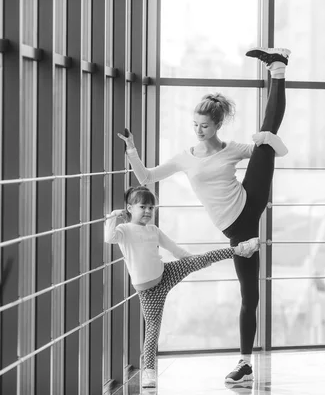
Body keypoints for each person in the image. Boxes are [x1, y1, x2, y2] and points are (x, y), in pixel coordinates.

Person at [117, 47, 291, 383]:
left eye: (205, 125)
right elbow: (147, 178)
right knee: (250, 294)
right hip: (237, 226)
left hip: (248, 204)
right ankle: (279, 67)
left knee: (267, 135)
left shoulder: (234, 150)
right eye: (195, 125)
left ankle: (278, 69)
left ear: (217, 124)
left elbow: (278, 152)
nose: (198, 130)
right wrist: (132, 149)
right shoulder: (186, 157)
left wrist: (270, 140)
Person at [104, 186, 260, 389]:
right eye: (143, 206)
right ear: (129, 208)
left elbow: (175, 250)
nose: (148, 211)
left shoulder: (154, 230)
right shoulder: (124, 230)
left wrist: (195, 261)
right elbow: (109, 238)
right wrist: (113, 217)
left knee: (204, 258)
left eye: (152, 207)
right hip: (149, 291)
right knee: (152, 331)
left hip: (166, 273)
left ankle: (240, 249)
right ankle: (148, 373)